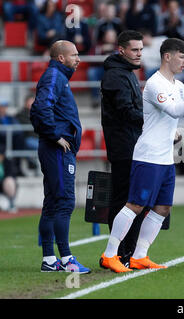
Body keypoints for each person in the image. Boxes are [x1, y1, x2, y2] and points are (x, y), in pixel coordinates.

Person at [99, 37, 184, 273]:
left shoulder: (178, 86)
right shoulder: (155, 84)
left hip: (164, 157)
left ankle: (140, 256)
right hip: (148, 154)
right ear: (167, 56)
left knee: (163, 207)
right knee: (135, 205)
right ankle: (109, 254)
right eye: (182, 57)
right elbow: (174, 111)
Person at [30, 40, 90, 273]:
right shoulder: (54, 76)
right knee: (64, 201)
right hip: (57, 150)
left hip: (54, 149)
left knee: (53, 202)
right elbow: (40, 108)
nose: (78, 59)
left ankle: (48, 259)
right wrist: (55, 135)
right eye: (74, 55)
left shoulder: (57, 77)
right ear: (61, 58)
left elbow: (41, 108)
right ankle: (66, 259)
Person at [100, 30, 148, 267]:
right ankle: (118, 255)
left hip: (131, 146)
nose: (140, 54)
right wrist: (152, 119)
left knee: (135, 199)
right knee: (124, 200)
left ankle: (127, 254)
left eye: (141, 49)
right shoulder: (115, 76)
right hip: (124, 148)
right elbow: (126, 111)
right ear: (122, 50)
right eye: (135, 50)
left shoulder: (124, 73)